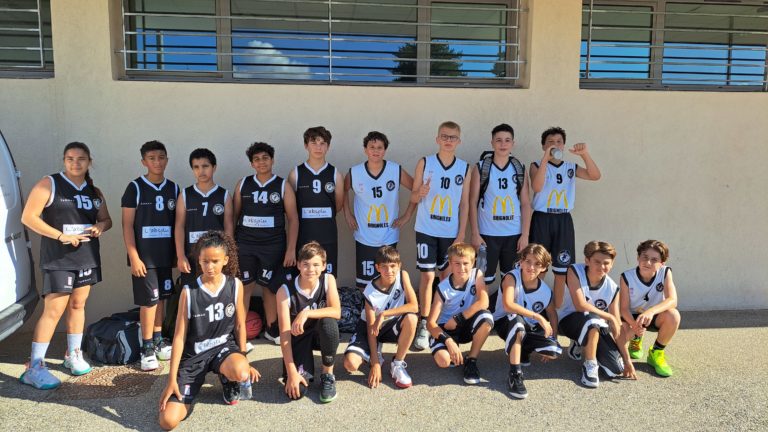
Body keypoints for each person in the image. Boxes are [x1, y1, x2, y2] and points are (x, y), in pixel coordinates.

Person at [19, 142, 112, 389]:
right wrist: (61, 236)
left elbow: (106, 219)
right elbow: (28, 217)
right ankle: (35, 367)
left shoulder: (94, 191)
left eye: (81, 159)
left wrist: (100, 227)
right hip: (58, 258)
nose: (75, 163)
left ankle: (73, 354)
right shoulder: (49, 183)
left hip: (87, 256)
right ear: (64, 160)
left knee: (78, 305)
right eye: (70, 158)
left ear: (89, 161)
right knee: (54, 310)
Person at [158, 231, 260, 431]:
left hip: (223, 348)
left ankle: (228, 378)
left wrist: (244, 358)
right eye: (205, 261)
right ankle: (188, 386)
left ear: (225, 260)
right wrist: (171, 379)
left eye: (215, 261)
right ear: (199, 260)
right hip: (194, 356)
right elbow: (179, 337)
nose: (210, 266)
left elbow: (240, 325)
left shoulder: (235, 285)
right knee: (167, 421)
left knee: (241, 371)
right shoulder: (189, 291)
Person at [410, 121, 471, 350]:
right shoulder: (425, 162)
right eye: (444, 136)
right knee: (427, 276)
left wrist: (461, 233)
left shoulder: (464, 168)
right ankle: (424, 322)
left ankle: (441, 321)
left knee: (447, 277)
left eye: (453, 137)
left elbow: (464, 204)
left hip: (450, 232)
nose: (448, 140)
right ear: (437, 139)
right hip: (426, 229)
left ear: (459, 141)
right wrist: (420, 192)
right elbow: (413, 197)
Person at [529, 127, 601, 312]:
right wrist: (546, 159)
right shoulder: (536, 165)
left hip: (563, 220)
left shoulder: (570, 167)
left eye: (559, 142)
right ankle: (535, 308)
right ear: (543, 146)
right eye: (550, 142)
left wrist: (584, 154)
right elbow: (537, 187)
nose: (555, 145)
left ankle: (557, 310)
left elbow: (595, 176)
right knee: (538, 267)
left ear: (563, 145)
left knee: (562, 271)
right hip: (542, 219)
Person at [122, 140, 179, 371]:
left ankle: (157, 340)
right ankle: (146, 348)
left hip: (165, 256)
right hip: (144, 259)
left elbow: (178, 225)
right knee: (149, 302)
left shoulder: (174, 188)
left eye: (161, 157)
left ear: (167, 160)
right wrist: (134, 256)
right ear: (144, 161)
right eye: (152, 158)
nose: (157, 162)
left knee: (162, 299)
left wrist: (177, 255)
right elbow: (127, 225)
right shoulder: (135, 188)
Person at [234, 142, 298, 346]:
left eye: (265, 158)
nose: (261, 162)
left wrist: (291, 249)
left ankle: (272, 329)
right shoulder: (243, 184)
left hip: (273, 245)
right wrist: (231, 245)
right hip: (246, 244)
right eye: (256, 159)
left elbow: (293, 219)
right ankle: (239, 333)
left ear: (272, 160)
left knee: (270, 287)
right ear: (251, 164)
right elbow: (234, 216)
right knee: (244, 287)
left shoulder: (282, 185)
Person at [343, 131, 416, 288]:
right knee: (364, 282)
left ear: (385, 150)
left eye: (380, 147)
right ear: (365, 150)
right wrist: (347, 214)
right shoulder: (355, 172)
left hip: (388, 234)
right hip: (364, 234)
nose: (375, 151)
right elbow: (342, 190)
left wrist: (407, 215)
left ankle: (389, 304)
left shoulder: (395, 170)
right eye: (372, 147)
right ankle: (366, 304)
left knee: (388, 278)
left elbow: (416, 189)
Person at [343, 246, 418, 389]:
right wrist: (375, 363)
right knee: (350, 364)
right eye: (384, 266)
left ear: (399, 265)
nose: (389, 271)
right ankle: (375, 352)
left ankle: (397, 364)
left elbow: (414, 306)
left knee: (412, 318)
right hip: (370, 328)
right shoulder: (370, 291)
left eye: (393, 266)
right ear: (377, 268)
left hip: (389, 324)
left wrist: (384, 314)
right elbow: (371, 330)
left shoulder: (403, 276)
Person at [559, 241, 632, 388]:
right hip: (567, 321)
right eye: (597, 262)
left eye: (606, 263)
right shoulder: (574, 271)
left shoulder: (612, 288)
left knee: (615, 369)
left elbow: (617, 326)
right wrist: (609, 316)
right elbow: (580, 305)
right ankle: (590, 365)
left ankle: (581, 344)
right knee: (592, 320)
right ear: (587, 261)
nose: (601, 266)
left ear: (612, 264)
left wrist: (627, 360)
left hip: (595, 326)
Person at [276, 241, 341, 403]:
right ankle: (301, 366)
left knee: (329, 323)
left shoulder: (328, 280)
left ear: (324, 266)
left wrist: (306, 313)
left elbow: (336, 311)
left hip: (320, 333)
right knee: (298, 391)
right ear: (298, 265)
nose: (311, 269)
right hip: (299, 337)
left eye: (316, 264)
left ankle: (327, 374)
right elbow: (285, 336)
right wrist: (291, 372)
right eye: (306, 264)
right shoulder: (285, 291)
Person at [494, 243, 561, 399]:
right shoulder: (511, 277)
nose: (531, 267)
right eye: (528, 261)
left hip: (527, 327)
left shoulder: (545, 290)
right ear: (521, 262)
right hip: (505, 323)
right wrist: (538, 317)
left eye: (537, 264)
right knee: (517, 321)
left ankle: (524, 351)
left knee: (554, 350)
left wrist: (554, 337)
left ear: (544, 267)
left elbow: (552, 314)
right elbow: (508, 305)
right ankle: (515, 374)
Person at [469, 123, 532, 286]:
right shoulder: (481, 167)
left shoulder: (519, 168)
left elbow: (526, 203)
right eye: (498, 140)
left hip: (513, 235)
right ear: (492, 143)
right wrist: (475, 233)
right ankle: (483, 304)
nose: (503, 144)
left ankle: (506, 304)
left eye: (507, 140)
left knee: (511, 279)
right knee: (482, 279)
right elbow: (472, 201)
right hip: (486, 235)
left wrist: (525, 235)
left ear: (513, 143)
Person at [426, 243, 493, 385]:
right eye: (457, 263)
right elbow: (430, 323)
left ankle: (471, 360)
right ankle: (450, 346)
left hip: (463, 323)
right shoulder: (443, 287)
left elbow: (484, 302)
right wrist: (448, 341)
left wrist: (458, 318)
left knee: (486, 318)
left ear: (473, 263)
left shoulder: (477, 274)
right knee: (444, 361)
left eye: (465, 263)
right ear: (450, 264)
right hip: (446, 329)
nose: (462, 268)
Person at [618, 240, 680, 377]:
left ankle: (656, 352)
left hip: (652, 316)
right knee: (618, 345)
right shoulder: (626, 277)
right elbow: (623, 309)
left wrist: (651, 311)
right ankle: (636, 339)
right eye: (645, 257)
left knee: (673, 316)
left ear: (662, 263)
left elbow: (672, 300)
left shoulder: (665, 272)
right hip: (632, 318)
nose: (648, 262)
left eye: (654, 260)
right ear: (638, 257)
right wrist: (634, 326)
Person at [287, 126, 344, 277]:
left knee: (328, 278)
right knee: (303, 277)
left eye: (322, 143)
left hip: (327, 236)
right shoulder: (295, 174)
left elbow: (338, 205)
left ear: (328, 147)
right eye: (314, 143)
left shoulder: (335, 174)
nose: (318, 147)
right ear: (306, 145)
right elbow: (291, 209)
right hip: (303, 236)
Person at [174, 148, 233, 275]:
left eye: (205, 166)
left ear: (214, 167)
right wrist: (180, 256)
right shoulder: (185, 195)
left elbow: (228, 226)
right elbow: (179, 226)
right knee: (192, 287)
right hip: (192, 256)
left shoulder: (224, 195)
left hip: (216, 256)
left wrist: (227, 253)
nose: (201, 171)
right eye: (196, 167)